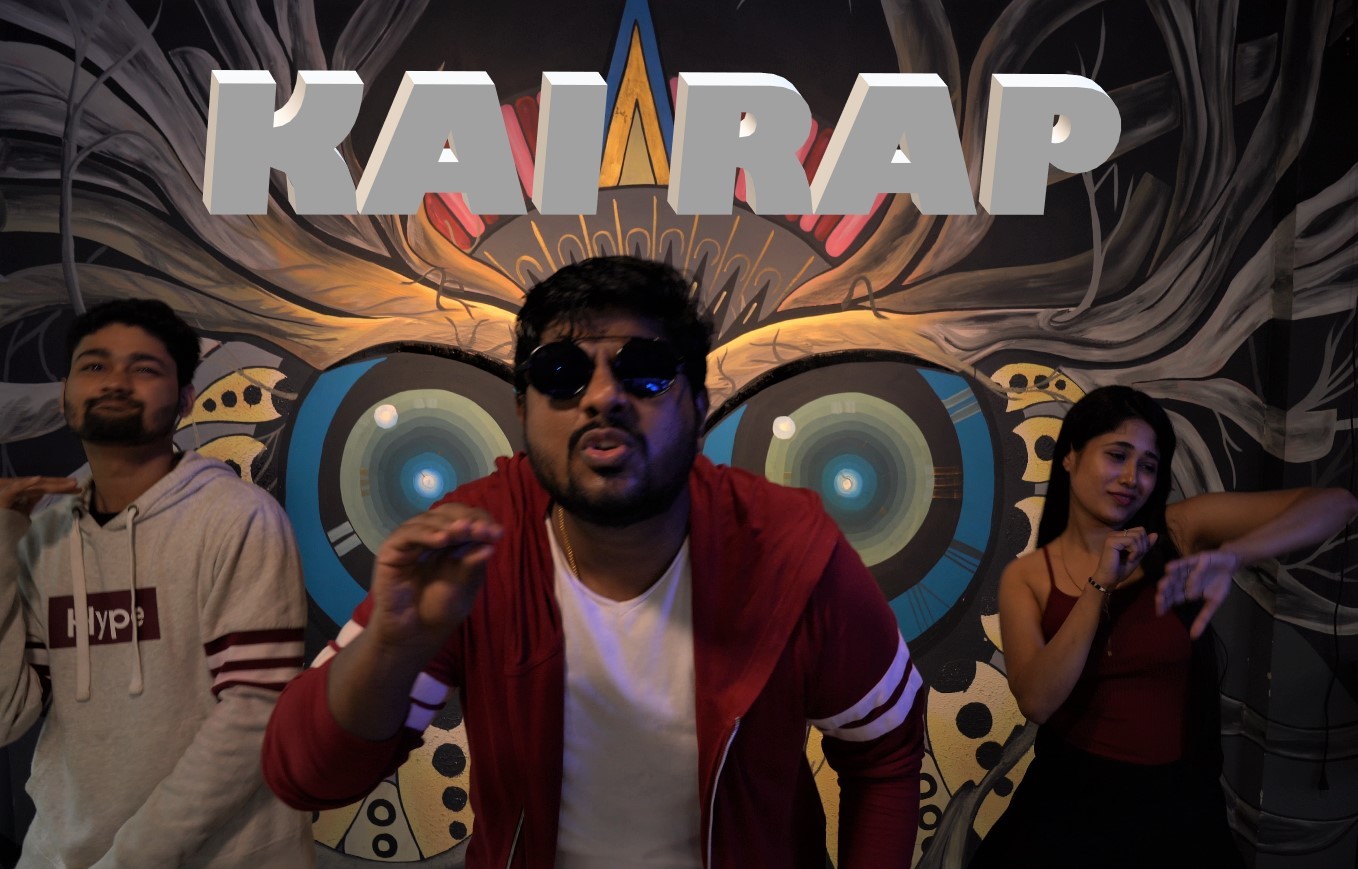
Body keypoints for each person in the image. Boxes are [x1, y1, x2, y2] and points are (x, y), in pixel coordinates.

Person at [262, 255, 926, 868]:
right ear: (522, 411)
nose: (603, 395)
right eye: (561, 372)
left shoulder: (789, 548)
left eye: (645, 369)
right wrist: (392, 644)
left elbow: (885, 751)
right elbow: (305, 777)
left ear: (699, 407)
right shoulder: (474, 545)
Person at [973, 385, 1358, 868]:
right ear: (1069, 455)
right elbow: (1037, 701)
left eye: (1149, 465)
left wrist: (1233, 555)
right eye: (1117, 455)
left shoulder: (1176, 531)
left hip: (1174, 807)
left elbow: (1337, 504)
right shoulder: (1028, 576)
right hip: (1067, 804)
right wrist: (1100, 584)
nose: (1132, 478)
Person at [0, 299, 314, 868]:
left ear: (186, 398)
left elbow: (253, 714)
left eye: (144, 368)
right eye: (94, 365)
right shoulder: (42, 536)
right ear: (65, 393)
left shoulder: (238, 517)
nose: (115, 381)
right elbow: (8, 716)